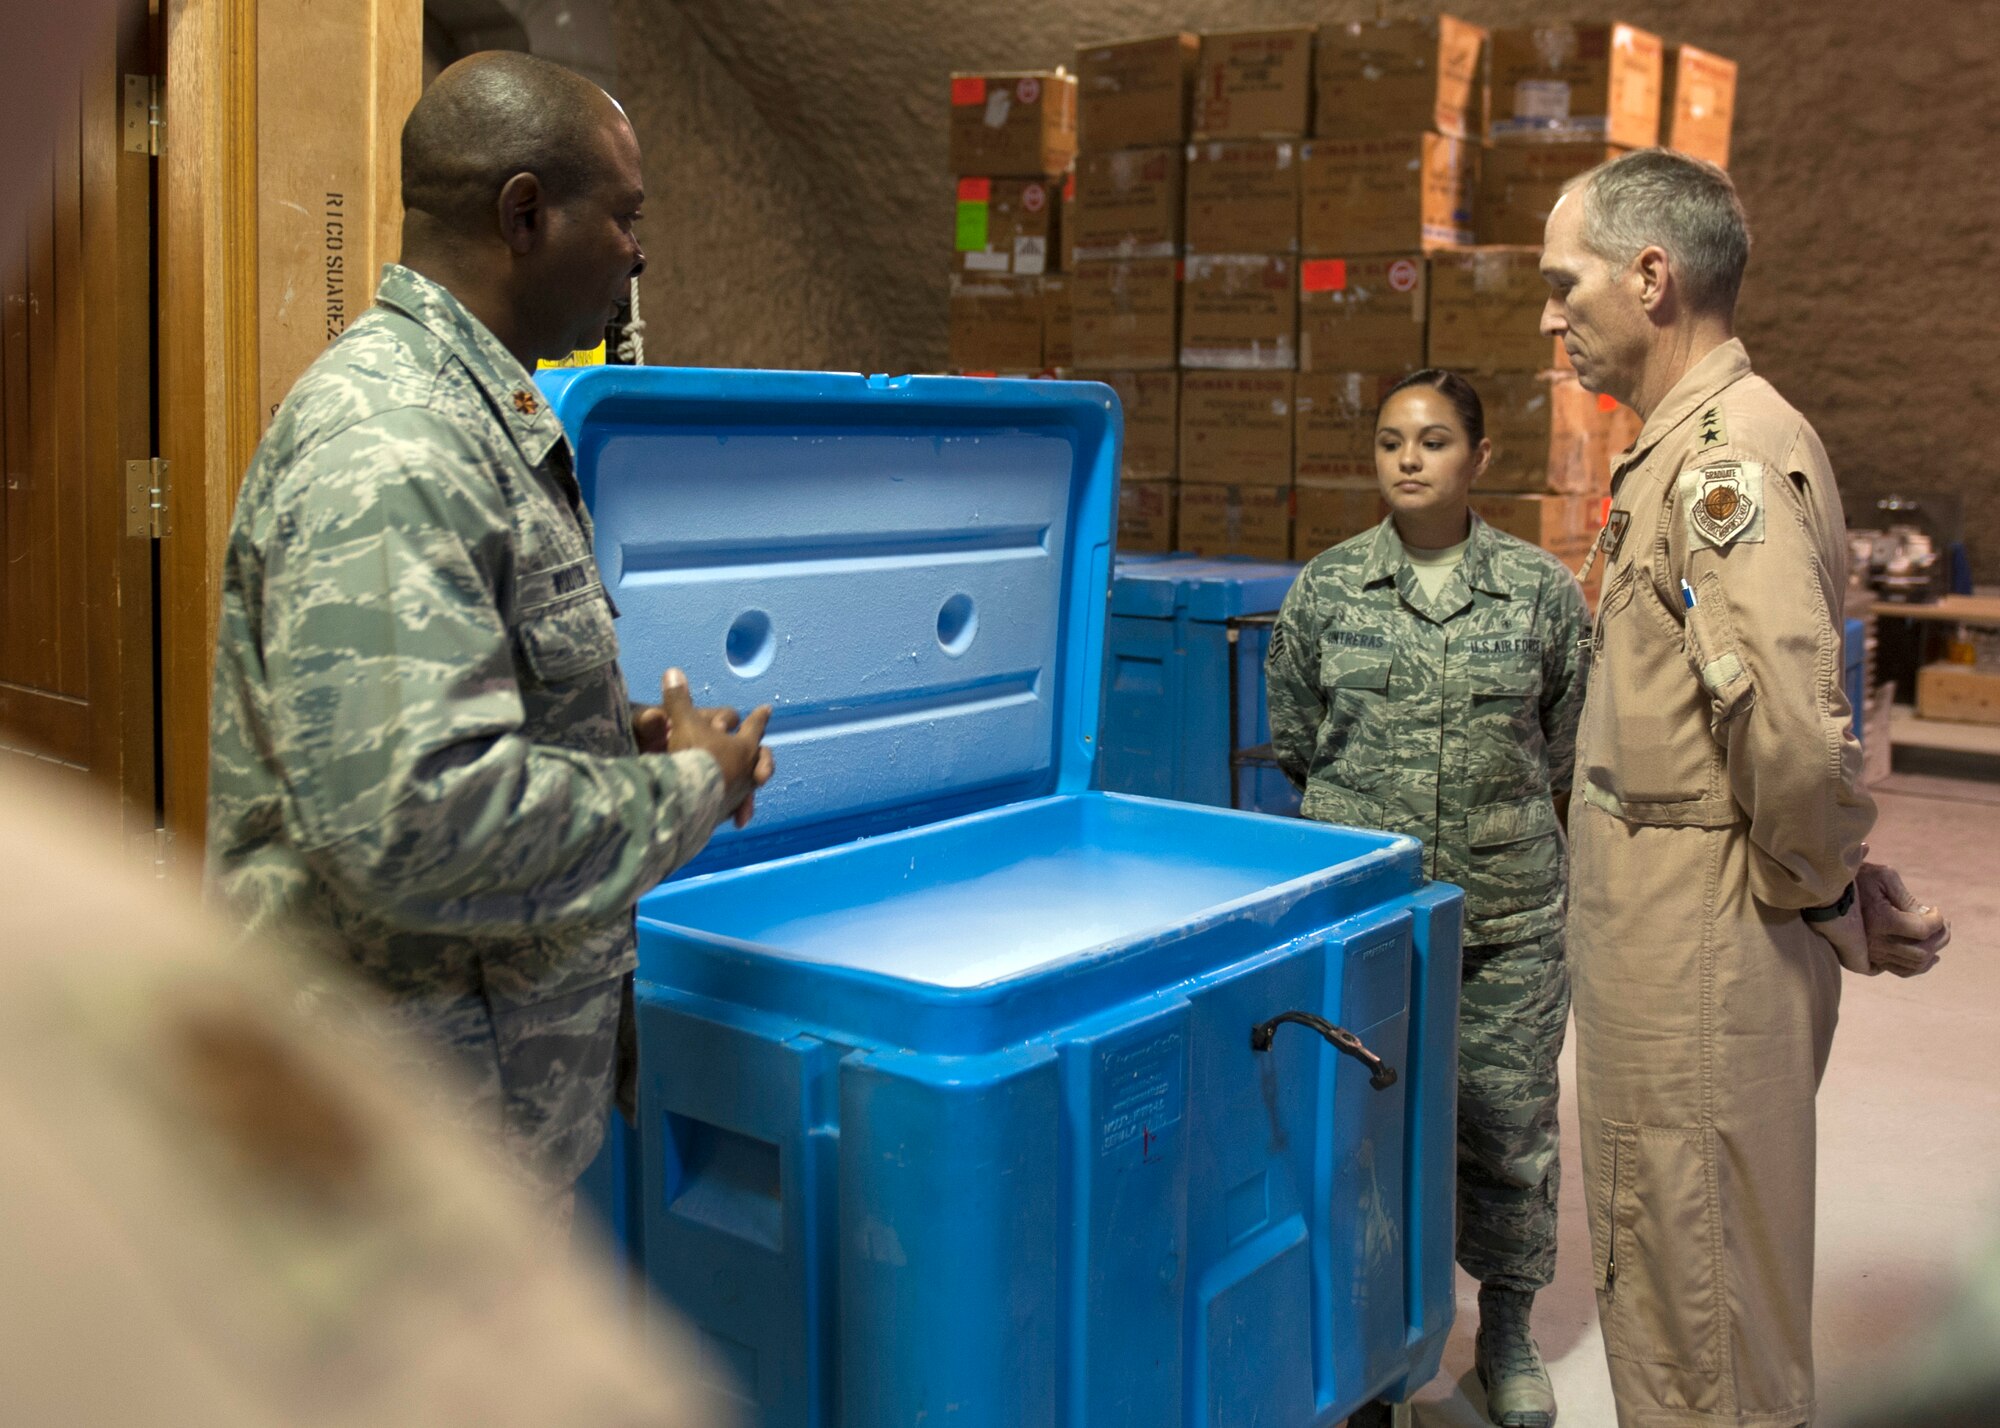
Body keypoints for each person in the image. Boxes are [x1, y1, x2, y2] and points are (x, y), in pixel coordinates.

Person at [206, 52, 773, 1217]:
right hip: (383, 1155)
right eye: (623, 216)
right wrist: (687, 793)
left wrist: (621, 735)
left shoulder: (476, 413)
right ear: (524, 213)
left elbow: (453, 699)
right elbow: (412, 822)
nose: (637, 251)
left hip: (469, 1134)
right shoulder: (396, 446)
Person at [1539, 149, 1951, 1427]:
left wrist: (1826, 890)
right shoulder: (1676, 452)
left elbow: (1781, 730)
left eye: (1565, 284)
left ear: (1648, 277)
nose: (1551, 316)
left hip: (1699, 943)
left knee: (1700, 1302)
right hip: (1661, 920)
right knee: (1666, 1277)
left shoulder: (1726, 464)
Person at [0, 761, 736, 1427]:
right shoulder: (57, 911)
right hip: (433, 1073)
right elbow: (412, 815)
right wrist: (696, 780)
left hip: (491, 1101)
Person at [1267, 370, 1590, 1428]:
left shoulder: (1540, 592)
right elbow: (1297, 739)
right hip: (1366, 927)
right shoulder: (1326, 589)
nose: (1408, 459)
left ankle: (1502, 1331)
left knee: (1506, 1132)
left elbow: (1568, 743)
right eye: (1390, 441)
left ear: (1479, 459)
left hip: (1502, 923)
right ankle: (1366, 1346)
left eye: (1435, 440)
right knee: (1356, 1140)